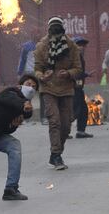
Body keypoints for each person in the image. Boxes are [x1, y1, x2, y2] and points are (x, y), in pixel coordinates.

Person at [34, 16, 81, 170]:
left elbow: (78, 69)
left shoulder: (71, 46)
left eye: (58, 29)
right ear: (48, 31)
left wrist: (68, 73)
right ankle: (56, 155)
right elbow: (37, 69)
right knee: (55, 121)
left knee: (66, 126)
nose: (56, 33)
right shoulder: (42, 46)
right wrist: (42, 76)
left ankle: (56, 152)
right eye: (53, 29)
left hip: (66, 89)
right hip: (48, 88)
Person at [72, 36, 94, 138]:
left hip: (78, 87)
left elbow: (79, 72)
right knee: (74, 110)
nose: (81, 47)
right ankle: (64, 130)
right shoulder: (71, 58)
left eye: (83, 45)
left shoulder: (80, 57)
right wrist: (84, 75)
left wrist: (86, 74)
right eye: (79, 45)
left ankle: (80, 131)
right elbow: (75, 73)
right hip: (73, 87)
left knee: (82, 109)